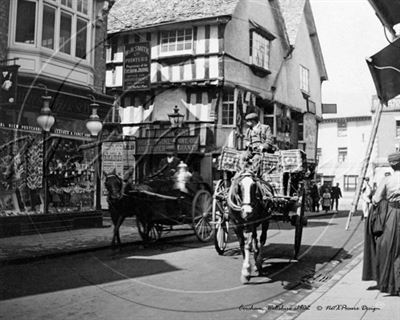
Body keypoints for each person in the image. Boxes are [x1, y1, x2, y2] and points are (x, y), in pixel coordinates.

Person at [366, 152, 400, 296]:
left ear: (392, 165)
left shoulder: (388, 180)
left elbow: (376, 199)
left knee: (389, 247)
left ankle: (392, 284)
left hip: (393, 214)